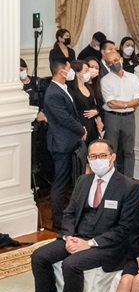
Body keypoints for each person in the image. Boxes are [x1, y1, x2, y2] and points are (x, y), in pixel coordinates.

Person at [27, 140, 139, 292]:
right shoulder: (83, 181)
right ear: (88, 159)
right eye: (93, 157)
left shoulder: (128, 187)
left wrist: (90, 244)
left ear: (112, 157)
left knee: (71, 264)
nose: (98, 160)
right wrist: (69, 236)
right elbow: (70, 213)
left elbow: (124, 228)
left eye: (102, 156)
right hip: (77, 235)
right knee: (39, 256)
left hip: (107, 244)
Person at [41, 59, 88, 217]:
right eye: (69, 68)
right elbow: (64, 118)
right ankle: (58, 219)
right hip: (61, 144)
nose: (71, 71)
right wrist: (81, 129)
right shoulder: (53, 93)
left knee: (68, 180)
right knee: (60, 182)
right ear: (62, 72)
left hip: (69, 142)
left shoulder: (62, 88)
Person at [99, 49, 139, 176]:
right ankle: (114, 179)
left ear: (121, 60)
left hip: (129, 117)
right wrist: (128, 104)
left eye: (116, 60)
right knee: (112, 151)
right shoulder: (105, 80)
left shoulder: (133, 78)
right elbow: (111, 103)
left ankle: (129, 179)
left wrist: (123, 105)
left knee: (129, 151)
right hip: (112, 118)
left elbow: (138, 99)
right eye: (110, 63)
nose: (114, 64)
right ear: (107, 65)